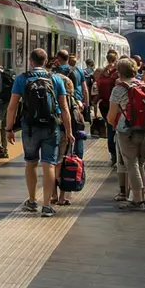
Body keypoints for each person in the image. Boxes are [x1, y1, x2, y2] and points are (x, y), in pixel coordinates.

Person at [6, 48, 73, 218]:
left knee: (31, 163)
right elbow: (64, 108)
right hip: (51, 127)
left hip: (29, 127)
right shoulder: (56, 79)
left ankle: (32, 200)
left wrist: (9, 129)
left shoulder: (22, 79)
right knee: (49, 164)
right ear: (46, 61)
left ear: (30, 60)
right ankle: (47, 205)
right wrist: (69, 131)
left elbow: (12, 106)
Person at [108, 57, 145, 210]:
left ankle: (138, 200)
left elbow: (111, 116)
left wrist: (115, 125)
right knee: (140, 162)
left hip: (127, 132)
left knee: (131, 163)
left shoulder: (119, 89)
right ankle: (141, 195)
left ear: (119, 72)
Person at [54, 73, 85, 206]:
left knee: (52, 164)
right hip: (66, 134)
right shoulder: (72, 100)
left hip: (53, 133)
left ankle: (53, 195)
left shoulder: (54, 98)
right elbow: (79, 121)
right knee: (63, 164)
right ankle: (62, 196)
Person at [94, 50, 119, 164]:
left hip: (104, 104)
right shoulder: (117, 72)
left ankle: (112, 154)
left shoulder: (102, 72)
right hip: (116, 105)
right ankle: (118, 153)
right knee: (119, 129)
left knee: (110, 129)